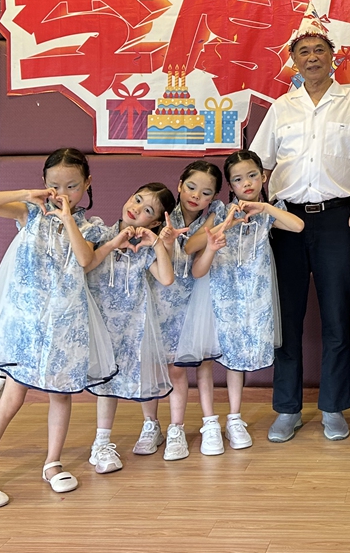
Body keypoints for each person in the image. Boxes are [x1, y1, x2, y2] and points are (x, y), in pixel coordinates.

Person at [249, 22, 350, 442]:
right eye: (303, 52)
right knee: (287, 317)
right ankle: (287, 408)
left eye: (319, 50)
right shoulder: (281, 108)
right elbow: (262, 167)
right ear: (293, 61)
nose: (312, 57)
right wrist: (259, 215)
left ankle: (333, 406)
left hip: (339, 218)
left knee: (334, 315)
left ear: (333, 57)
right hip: (285, 219)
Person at [0, 148, 114, 509]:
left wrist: (68, 217)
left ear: (87, 184)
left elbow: (86, 259)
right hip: (27, 327)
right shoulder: (29, 214)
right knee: (12, 399)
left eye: (73, 186)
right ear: (44, 184)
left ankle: (52, 463)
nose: (63, 193)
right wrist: (26, 195)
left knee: (61, 395)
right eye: (55, 185)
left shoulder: (91, 226)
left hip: (66, 326)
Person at [188, 151, 305, 453]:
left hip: (254, 295)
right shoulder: (220, 211)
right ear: (230, 185)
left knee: (240, 358)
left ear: (263, 176)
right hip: (223, 295)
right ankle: (221, 420)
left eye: (252, 175)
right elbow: (191, 245)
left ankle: (234, 417)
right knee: (222, 356)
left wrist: (265, 206)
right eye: (238, 179)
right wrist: (223, 224)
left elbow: (297, 226)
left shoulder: (267, 213)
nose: (247, 183)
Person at [84, 183, 180, 474]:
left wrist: (157, 244)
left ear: (154, 222)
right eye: (137, 199)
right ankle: (101, 442)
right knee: (105, 384)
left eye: (147, 210)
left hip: (133, 324)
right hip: (101, 323)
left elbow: (166, 278)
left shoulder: (143, 247)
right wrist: (113, 243)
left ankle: (151, 425)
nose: (136, 208)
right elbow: (85, 265)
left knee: (138, 376)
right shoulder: (98, 232)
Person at [149, 161, 225, 461]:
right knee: (162, 366)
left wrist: (213, 226)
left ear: (214, 196)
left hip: (197, 298)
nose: (196, 196)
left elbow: (195, 247)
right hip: (161, 297)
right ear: (180, 184)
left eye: (206, 192)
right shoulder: (162, 211)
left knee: (200, 363)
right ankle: (154, 425)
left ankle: (204, 425)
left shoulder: (215, 215)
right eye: (191, 187)